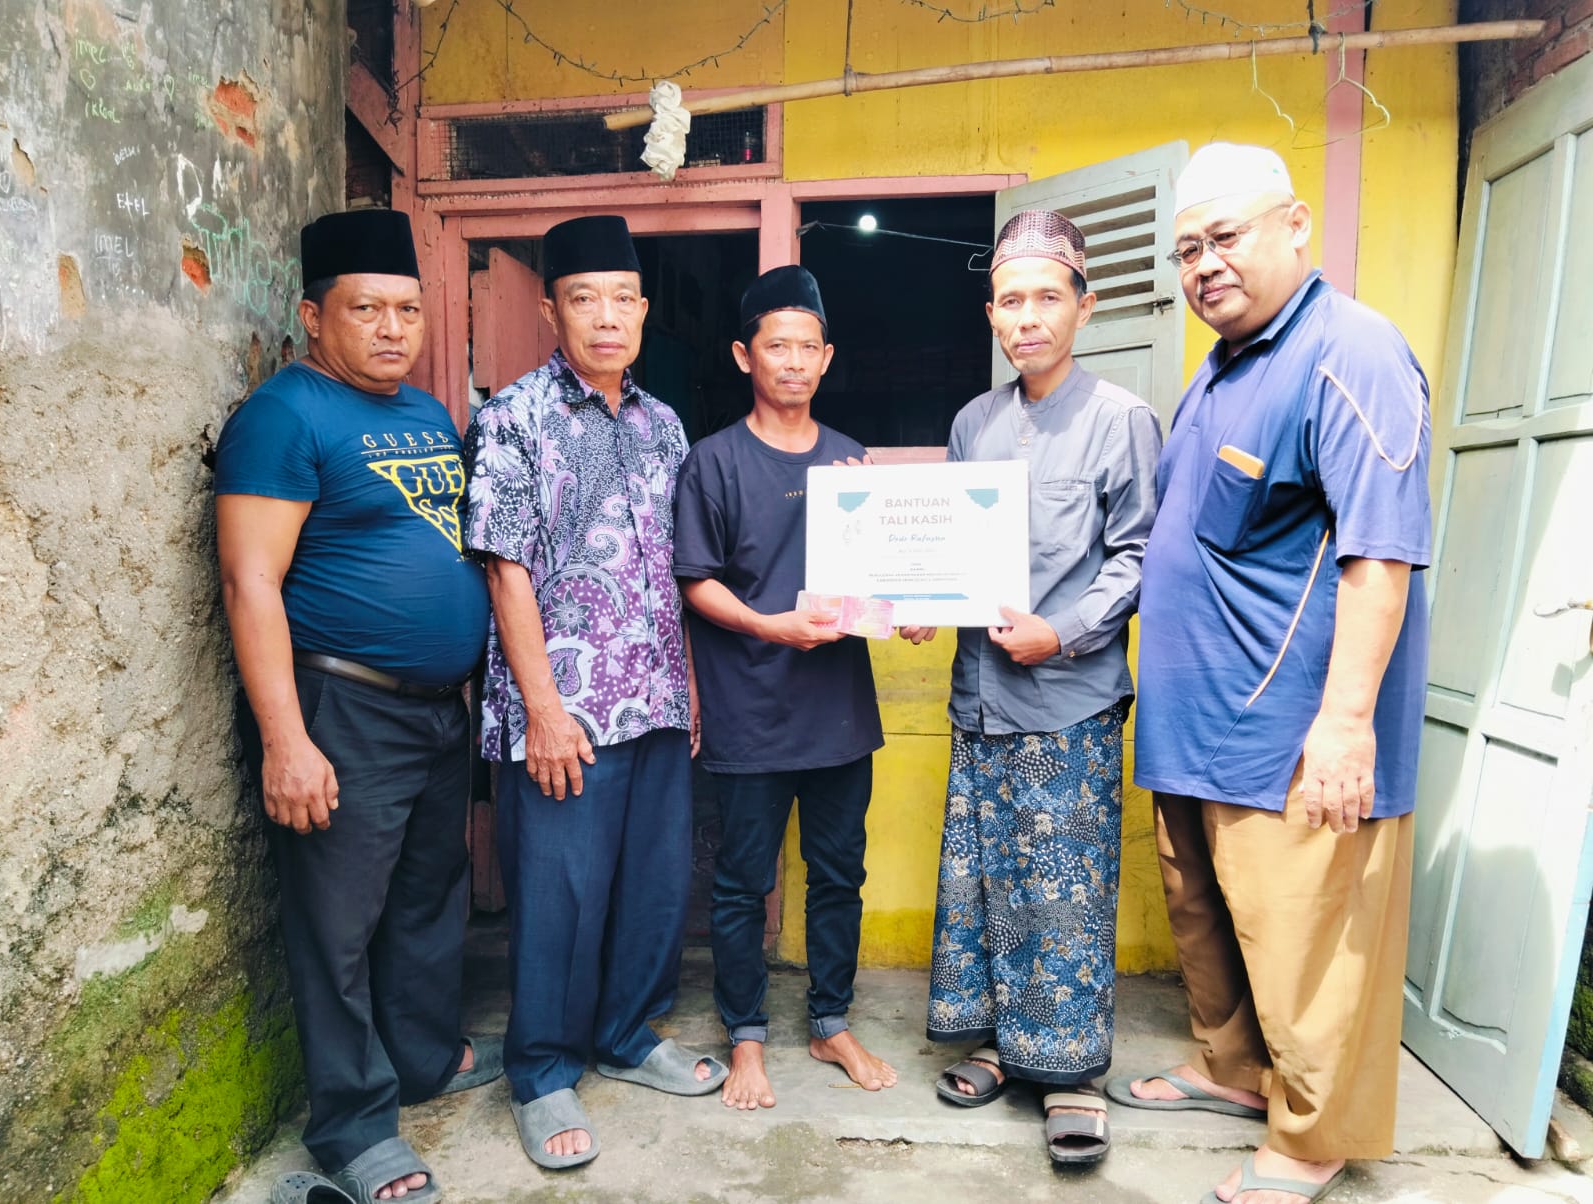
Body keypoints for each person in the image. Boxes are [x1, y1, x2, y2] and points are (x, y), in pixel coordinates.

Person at [1111, 143, 1431, 1204]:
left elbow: (1379, 554)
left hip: (1286, 729)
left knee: (1305, 942)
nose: (1203, 265)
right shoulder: (1224, 363)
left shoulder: (1351, 351)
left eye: (1225, 237)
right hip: (1195, 722)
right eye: (1186, 250)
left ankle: (1312, 1136)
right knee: (1209, 915)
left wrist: (1345, 722)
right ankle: (1234, 1069)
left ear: (1295, 225)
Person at [215, 208, 499, 1204]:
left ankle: (420, 1060)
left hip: (437, 709)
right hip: (344, 705)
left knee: (428, 896)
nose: (392, 328)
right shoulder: (283, 416)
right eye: (366, 308)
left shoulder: (424, 413)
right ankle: (352, 1124)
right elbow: (250, 581)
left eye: (408, 310)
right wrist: (285, 739)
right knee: (336, 924)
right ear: (312, 315)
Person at [462, 214, 724, 1172]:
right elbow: (505, 570)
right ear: (550, 311)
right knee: (559, 897)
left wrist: (688, 684)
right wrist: (541, 709)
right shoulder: (513, 418)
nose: (606, 317)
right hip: (565, 709)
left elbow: (673, 570)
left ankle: (624, 1034)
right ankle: (540, 1071)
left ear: (644, 311)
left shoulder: (665, 426)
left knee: (655, 886)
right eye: (584, 299)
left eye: (622, 298)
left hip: (655, 699)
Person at [915, 210, 1162, 1166]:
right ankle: (998, 1045)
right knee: (983, 880)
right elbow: (947, 548)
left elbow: (1138, 556)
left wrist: (1063, 631)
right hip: (978, 698)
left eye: (1047, 298)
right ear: (991, 314)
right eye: (1010, 300)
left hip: (1068, 699)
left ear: (1083, 307)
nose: (1028, 317)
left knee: (1063, 892)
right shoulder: (972, 423)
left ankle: (1072, 1073)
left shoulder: (1121, 421)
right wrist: (922, 601)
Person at [673, 266, 897, 1112]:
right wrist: (771, 627)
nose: (794, 362)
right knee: (742, 883)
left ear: (827, 357)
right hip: (751, 710)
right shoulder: (713, 463)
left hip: (838, 712)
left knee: (840, 874)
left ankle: (831, 1021)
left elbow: (874, 583)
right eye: (778, 347)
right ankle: (746, 1036)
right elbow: (696, 582)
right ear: (746, 356)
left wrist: (903, 612)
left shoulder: (851, 460)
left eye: (809, 347)